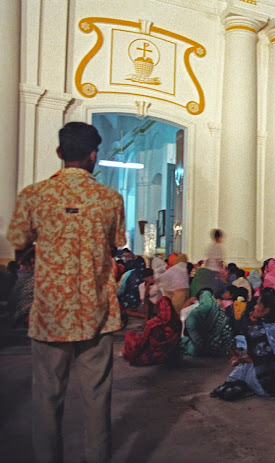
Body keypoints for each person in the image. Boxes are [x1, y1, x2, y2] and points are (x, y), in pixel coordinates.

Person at [7, 121, 125, 463]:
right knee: (97, 401)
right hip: (96, 314)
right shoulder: (109, 198)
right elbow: (116, 245)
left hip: (49, 315)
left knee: (46, 399)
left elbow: (17, 241)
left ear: (60, 154)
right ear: (93, 155)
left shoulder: (34, 195)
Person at [211, 291, 275, 401]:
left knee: (243, 367)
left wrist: (242, 358)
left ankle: (233, 385)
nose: (254, 307)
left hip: (274, 386)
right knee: (245, 363)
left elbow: (264, 360)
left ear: (266, 310)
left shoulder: (258, 331)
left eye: (258, 304)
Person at [122, 297, 182, 366]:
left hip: (155, 355)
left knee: (130, 334)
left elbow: (143, 342)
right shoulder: (177, 321)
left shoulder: (153, 324)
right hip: (172, 355)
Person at [180, 289, 233, 357]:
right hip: (219, 348)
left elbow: (189, 329)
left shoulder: (194, 313)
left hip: (199, 348)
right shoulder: (219, 311)